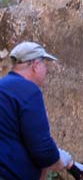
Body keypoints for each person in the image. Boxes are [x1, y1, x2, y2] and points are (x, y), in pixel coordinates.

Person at [0, 41, 76, 180]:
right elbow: (42, 149)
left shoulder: (3, 86)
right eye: (44, 64)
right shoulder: (29, 91)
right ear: (35, 66)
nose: (46, 70)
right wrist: (63, 161)